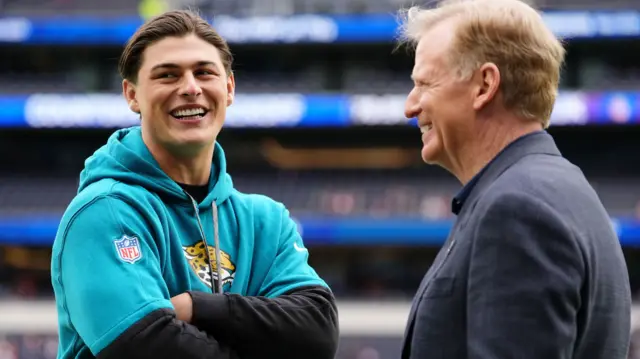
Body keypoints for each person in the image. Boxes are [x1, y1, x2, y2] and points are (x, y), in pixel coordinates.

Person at [50, 10, 339, 359]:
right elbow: (148, 347)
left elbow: (317, 331)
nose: (190, 88)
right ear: (132, 95)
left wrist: (193, 307)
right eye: (167, 75)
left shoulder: (267, 221)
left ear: (229, 88)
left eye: (204, 72)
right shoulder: (104, 211)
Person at [398, 0, 631, 358]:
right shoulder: (560, 189)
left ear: (484, 85)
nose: (410, 106)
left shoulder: (517, 209)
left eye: (425, 84)